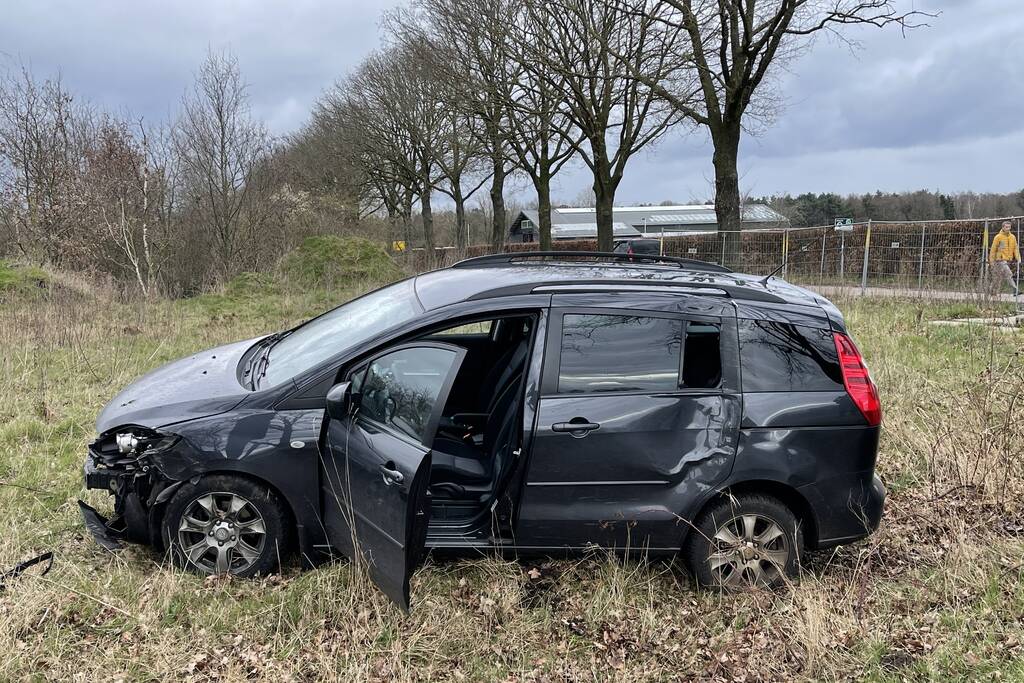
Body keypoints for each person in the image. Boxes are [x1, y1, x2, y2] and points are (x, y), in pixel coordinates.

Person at [989, 221, 1020, 296]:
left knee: (997, 277)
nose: (1008, 229)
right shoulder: (998, 237)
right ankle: (1015, 290)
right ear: (1002, 227)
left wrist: (1018, 258)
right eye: (1006, 227)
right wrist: (991, 261)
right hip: (999, 260)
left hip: (1007, 259)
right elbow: (993, 250)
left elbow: (1015, 248)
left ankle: (992, 291)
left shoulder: (1012, 237)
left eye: (1009, 227)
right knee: (1009, 273)